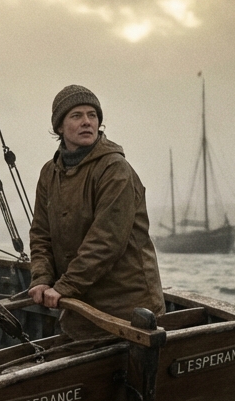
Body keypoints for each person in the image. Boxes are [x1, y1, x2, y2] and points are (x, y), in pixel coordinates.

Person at [28, 84, 164, 339]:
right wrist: (42, 279)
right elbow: (41, 234)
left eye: (92, 115)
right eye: (76, 116)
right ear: (59, 127)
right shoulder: (49, 173)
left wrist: (66, 286)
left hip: (127, 310)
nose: (87, 122)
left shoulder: (115, 169)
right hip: (79, 307)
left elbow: (106, 241)